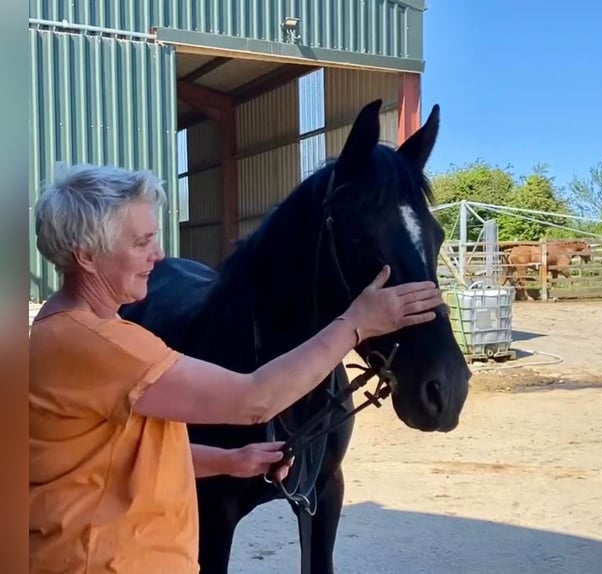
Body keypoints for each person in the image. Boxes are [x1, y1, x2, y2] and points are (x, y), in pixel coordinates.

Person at [29, 164, 444, 574]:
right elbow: (254, 400)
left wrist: (231, 460)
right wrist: (357, 324)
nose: (158, 255)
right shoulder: (98, 346)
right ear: (86, 256)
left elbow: (116, 455)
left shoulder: (70, 331)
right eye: (142, 242)